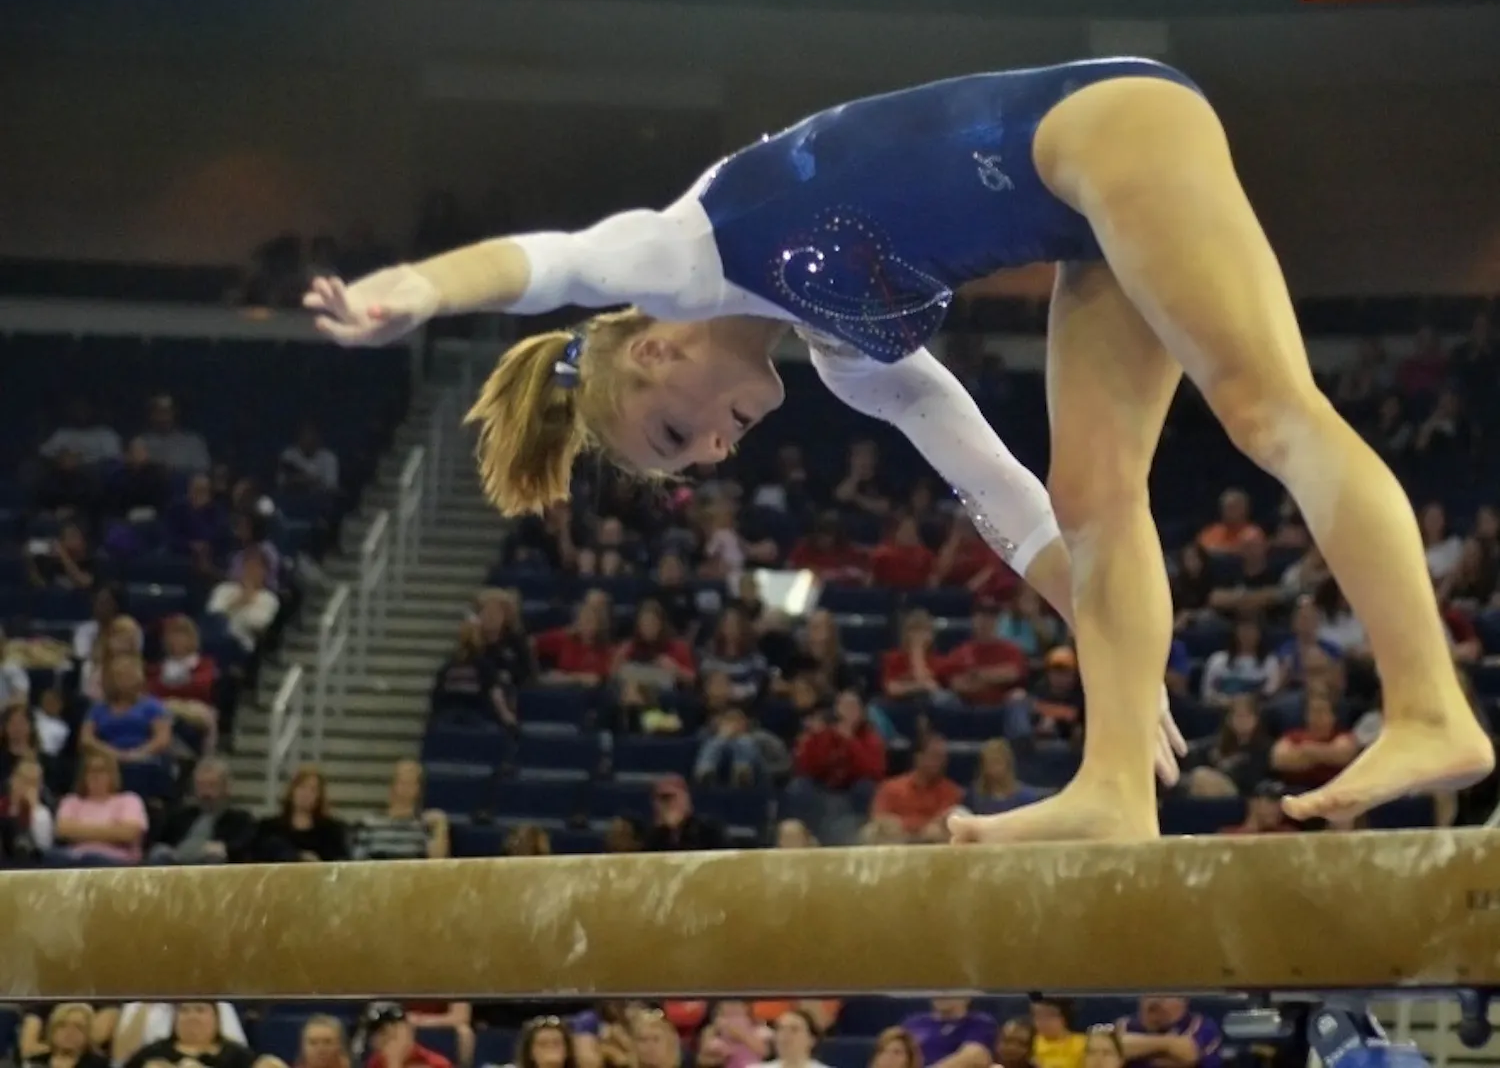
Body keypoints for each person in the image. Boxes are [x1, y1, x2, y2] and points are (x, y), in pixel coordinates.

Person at [306, 58, 1490, 837]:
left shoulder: (686, 253)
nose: (713, 452)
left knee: (1265, 410)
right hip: (1081, 215)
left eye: (678, 431)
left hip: (1108, 125)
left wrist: (411, 288)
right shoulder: (848, 356)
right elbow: (1003, 498)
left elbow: (544, 264)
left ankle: (1431, 707)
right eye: (693, 461)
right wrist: (1116, 640)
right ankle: (1115, 784)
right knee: (1089, 498)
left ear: (655, 351)